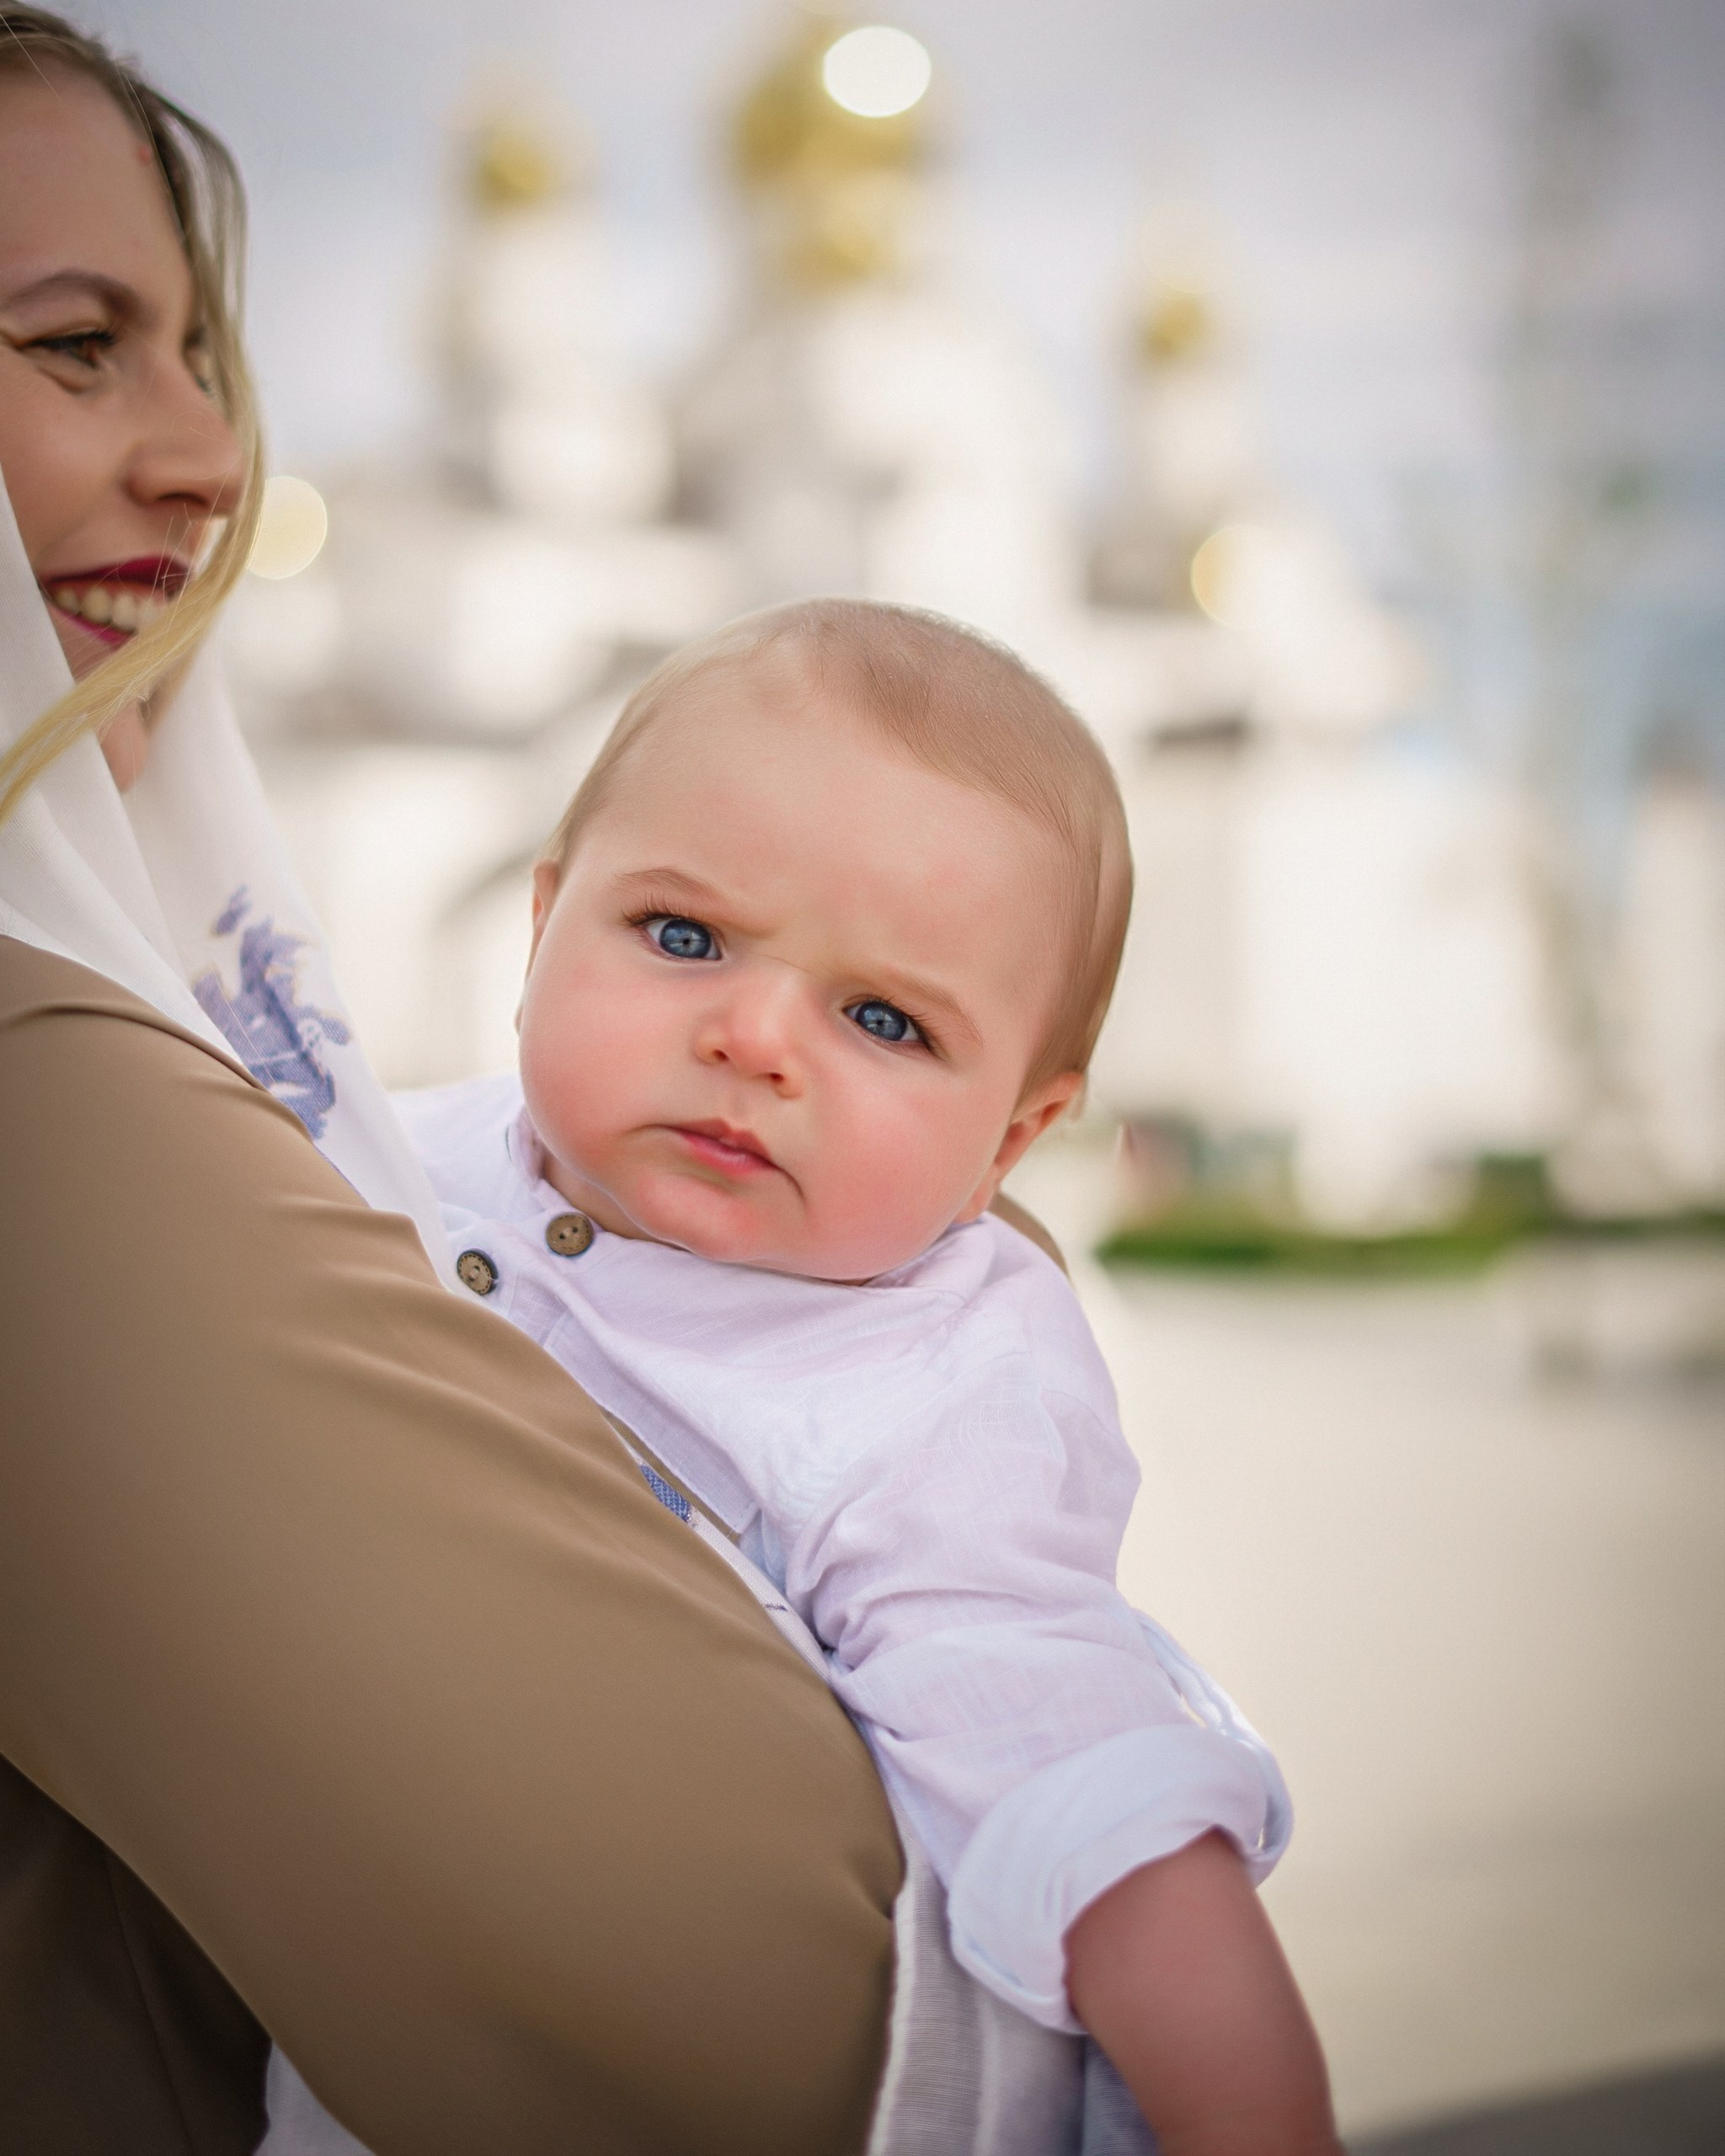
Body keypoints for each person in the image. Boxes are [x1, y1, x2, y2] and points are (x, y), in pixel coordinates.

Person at [0, 14, 905, 2152]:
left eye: (204, 353)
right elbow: (752, 1990)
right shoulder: (41, 1106)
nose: (212, 459)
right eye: (71, 345)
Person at [387, 600, 1342, 2156]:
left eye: (884, 1019)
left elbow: (1080, 1773)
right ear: (542, 923)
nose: (755, 1035)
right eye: (683, 936)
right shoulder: (374, 1158)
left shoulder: (934, 1384)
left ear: (1012, 1142)